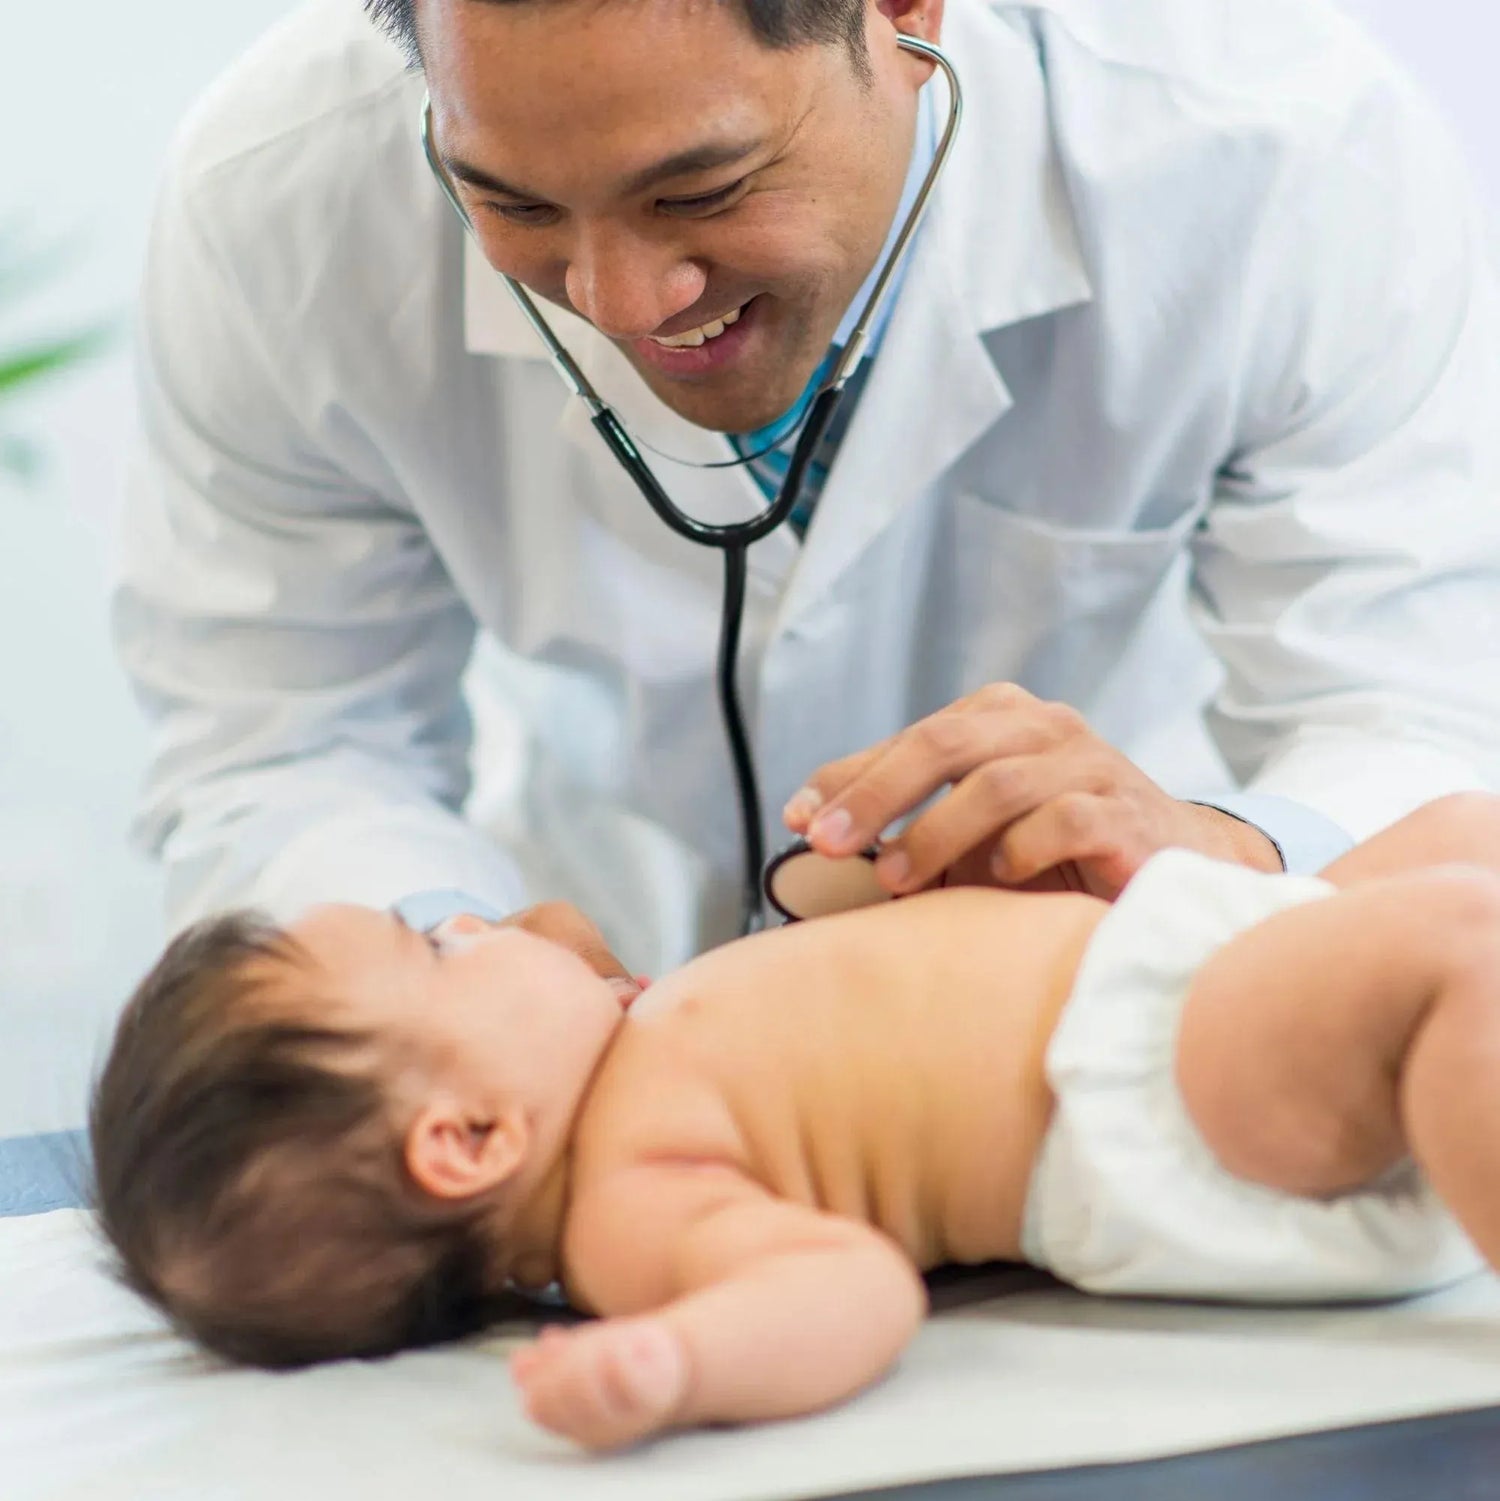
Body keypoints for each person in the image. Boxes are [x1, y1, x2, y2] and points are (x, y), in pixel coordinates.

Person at [114, 0, 1500, 972]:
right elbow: (281, 742)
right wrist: (457, 962)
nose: (621, 297)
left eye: (701, 188)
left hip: (1113, 964)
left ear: (905, 13)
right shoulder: (276, 203)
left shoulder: (1279, 156)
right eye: (520, 206)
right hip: (587, 965)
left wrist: (1214, 848)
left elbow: (1418, 710)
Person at [91, 793, 1500, 1449]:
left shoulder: (638, 1051)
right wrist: (682, 1359)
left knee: (1458, 833)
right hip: (1156, 1090)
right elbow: (851, 1290)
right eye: (443, 954)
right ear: (468, 1140)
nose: (478, 919)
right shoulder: (632, 1208)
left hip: (1182, 965)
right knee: (1458, 946)